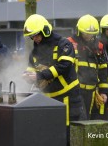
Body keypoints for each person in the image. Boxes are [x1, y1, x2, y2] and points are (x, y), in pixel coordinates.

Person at [23, 14, 85, 146]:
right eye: (32, 36)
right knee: (53, 132)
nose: (35, 38)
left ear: (45, 31)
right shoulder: (34, 52)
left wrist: (40, 75)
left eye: (37, 35)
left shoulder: (63, 44)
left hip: (68, 97)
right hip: (49, 98)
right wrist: (28, 77)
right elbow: (31, 69)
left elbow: (64, 65)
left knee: (68, 133)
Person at [67, 14, 108, 120]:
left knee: (91, 120)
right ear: (79, 31)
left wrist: (103, 91)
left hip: (92, 92)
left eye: (92, 34)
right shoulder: (69, 43)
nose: (89, 36)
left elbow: (103, 70)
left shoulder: (99, 46)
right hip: (76, 91)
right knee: (80, 120)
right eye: (86, 33)